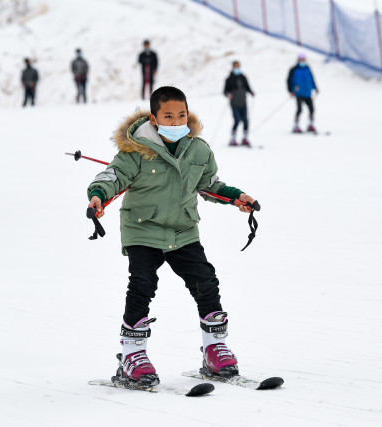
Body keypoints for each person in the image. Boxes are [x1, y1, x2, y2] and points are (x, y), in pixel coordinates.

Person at [86, 86, 257, 386]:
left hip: (183, 229)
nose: (177, 122)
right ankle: (132, 355)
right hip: (143, 228)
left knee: (205, 281)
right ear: (154, 118)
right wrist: (98, 196)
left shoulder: (199, 149)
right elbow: (112, 176)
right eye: (169, 116)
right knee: (142, 284)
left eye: (181, 115)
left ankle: (215, 348)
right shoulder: (136, 150)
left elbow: (210, 184)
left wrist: (236, 197)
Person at [223, 60, 255, 146]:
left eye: (238, 66)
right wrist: (228, 94)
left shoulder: (243, 77)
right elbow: (225, 91)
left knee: (245, 120)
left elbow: (247, 87)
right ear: (233, 67)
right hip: (234, 103)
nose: (237, 68)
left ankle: (245, 138)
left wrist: (251, 92)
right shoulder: (229, 79)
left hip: (243, 102)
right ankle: (232, 139)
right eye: (235, 66)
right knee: (237, 120)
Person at [287, 53, 319, 133]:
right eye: (300, 59)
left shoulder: (307, 68)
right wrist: (290, 91)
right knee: (299, 109)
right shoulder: (293, 69)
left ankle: (311, 125)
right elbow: (288, 81)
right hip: (298, 93)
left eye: (303, 59)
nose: (302, 60)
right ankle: (296, 126)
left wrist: (315, 87)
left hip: (307, 92)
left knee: (312, 109)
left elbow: (312, 78)